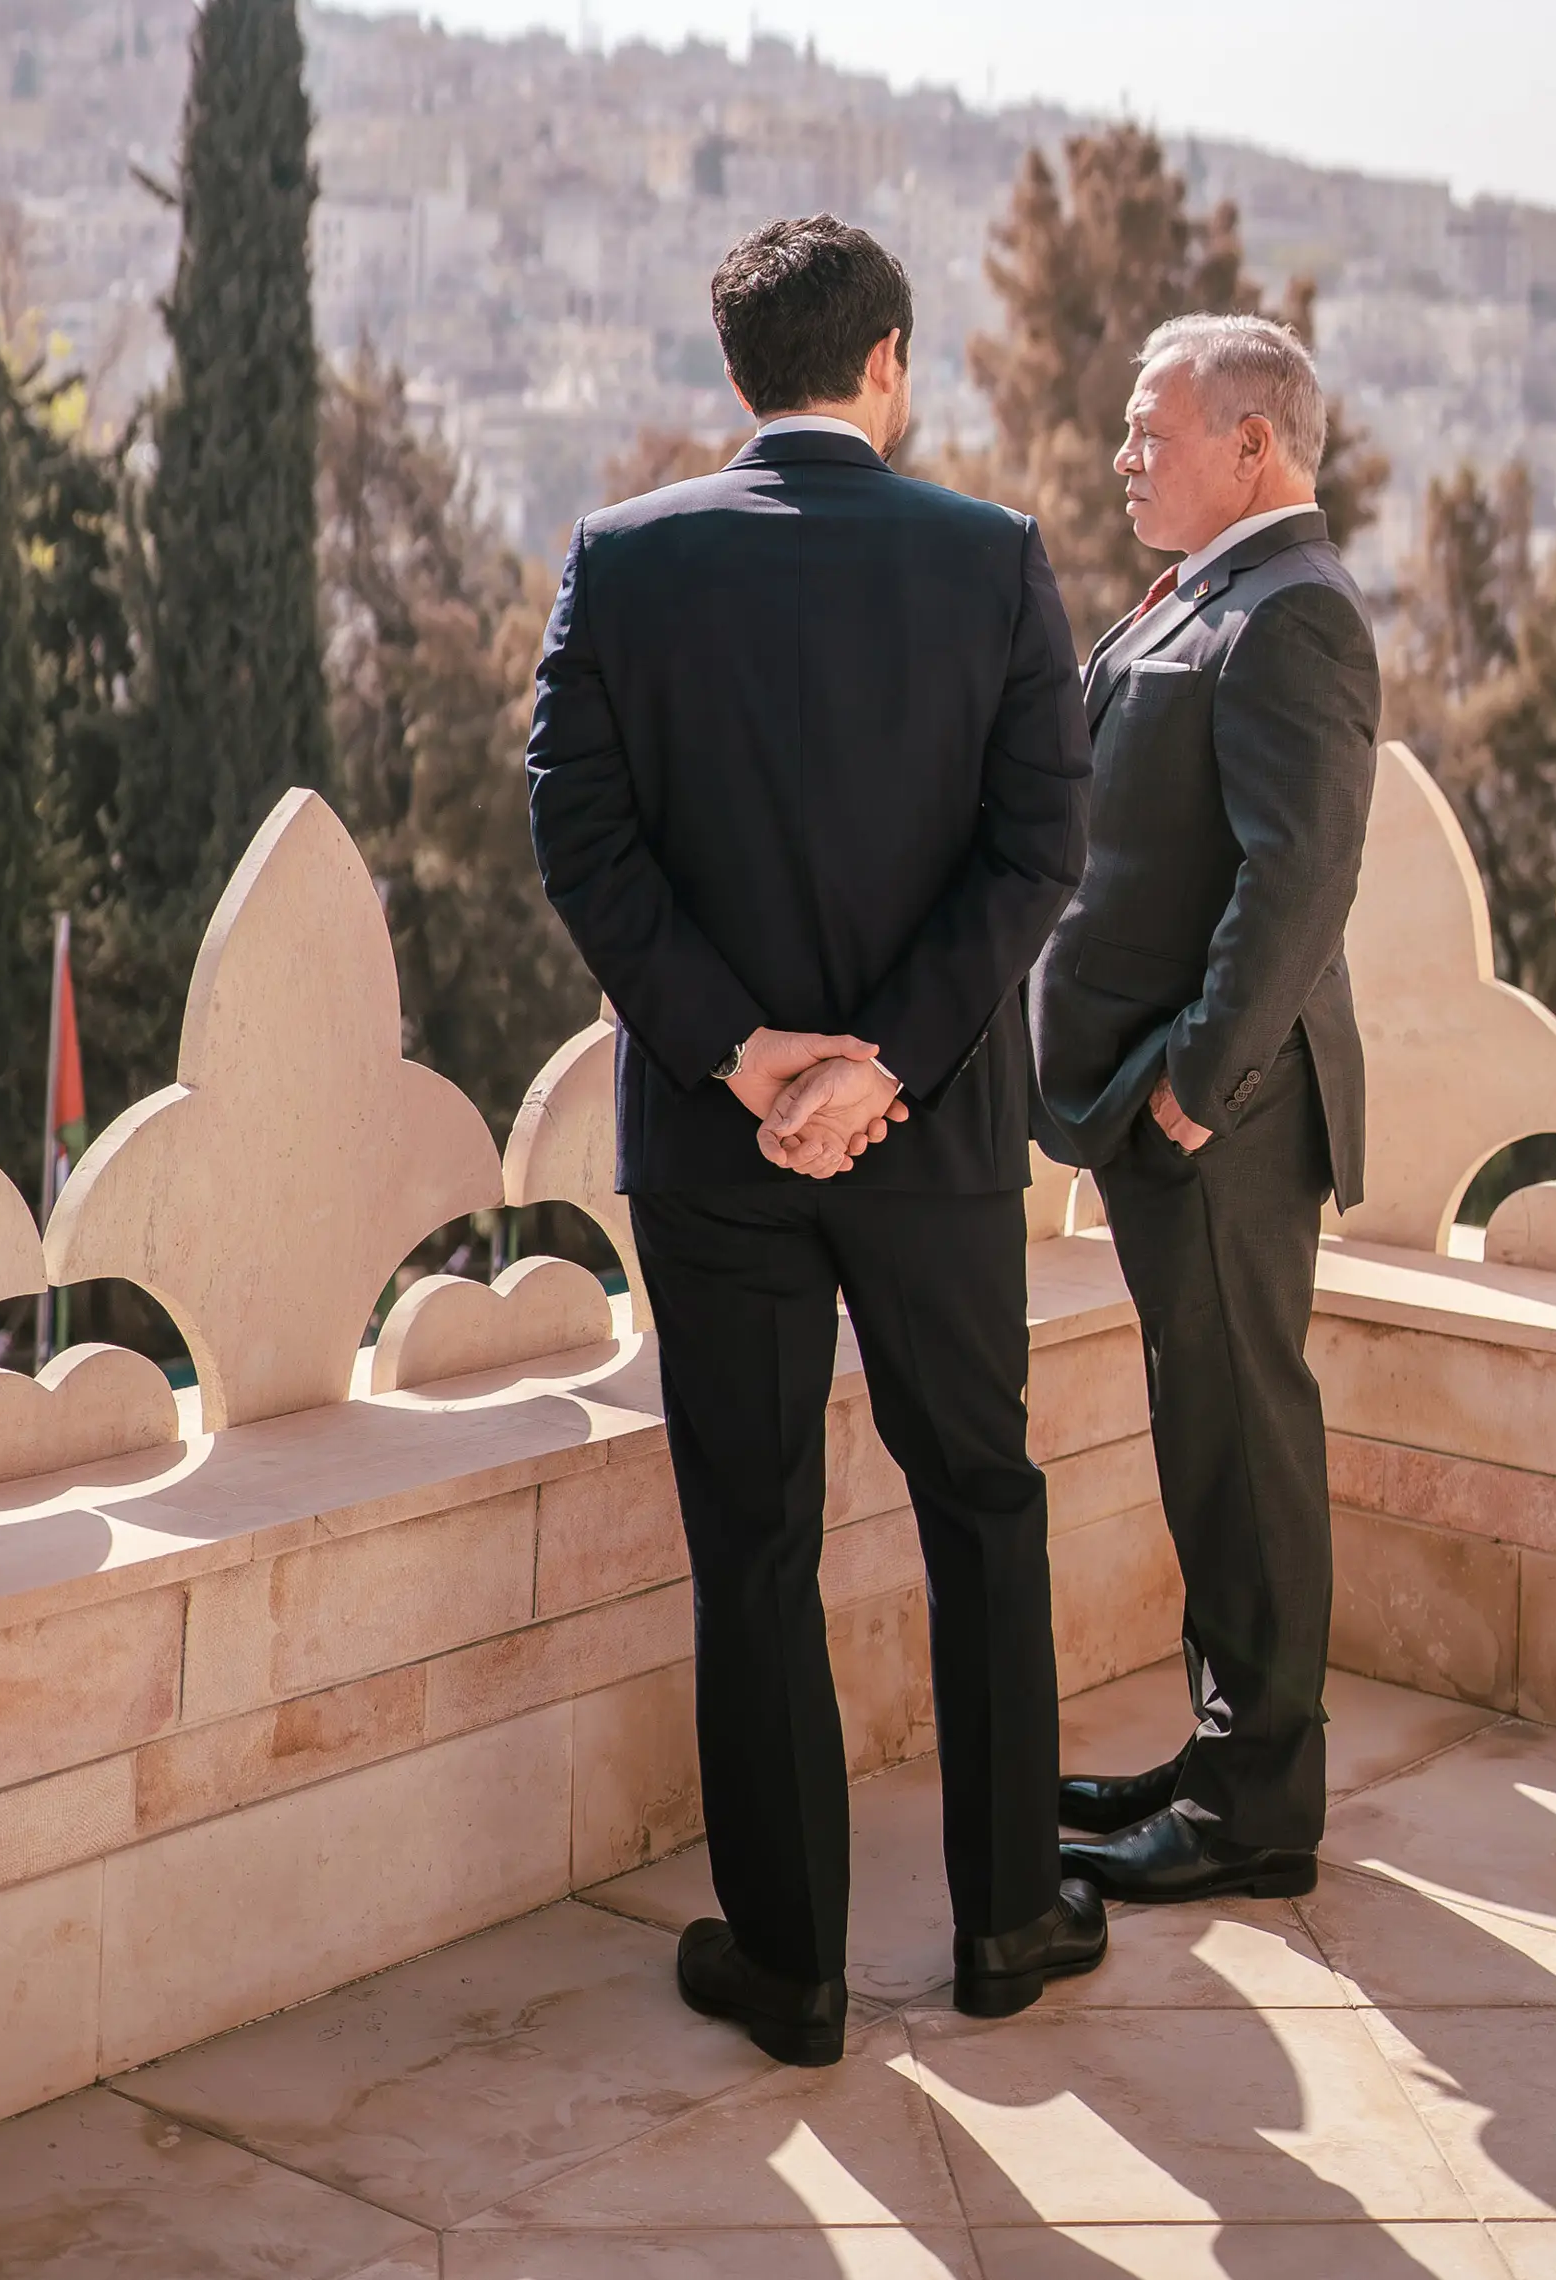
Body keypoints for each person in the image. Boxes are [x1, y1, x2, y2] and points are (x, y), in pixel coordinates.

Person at [528, 214, 1107, 2067]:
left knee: (756, 1536)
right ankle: (1012, 1918)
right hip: (934, 1147)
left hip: (714, 1149)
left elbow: (580, 841)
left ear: (735, 377)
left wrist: (739, 1051)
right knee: (982, 1502)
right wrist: (893, 1070)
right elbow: (1042, 848)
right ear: (892, 365)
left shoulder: (620, 564)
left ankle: (790, 1969)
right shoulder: (995, 556)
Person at [1030, 311, 1379, 1903]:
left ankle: (1256, 1816)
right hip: (1170, 1115)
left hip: (1224, 1126)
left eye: (1153, 433)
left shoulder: (1293, 611)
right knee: (1205, 1443)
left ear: (1256, 446)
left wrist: (1188, 1091)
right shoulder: (1217, 590)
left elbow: (1296, 884)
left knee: (1245, 1450)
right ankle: (1226, 1750)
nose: (1124, 459)